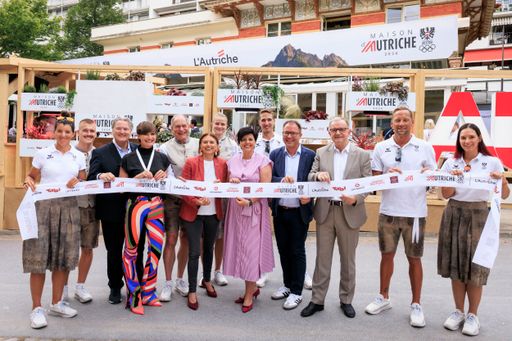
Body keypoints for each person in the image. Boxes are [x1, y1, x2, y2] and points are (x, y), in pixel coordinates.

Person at [365, 106, 436, 328]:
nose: (401, 123)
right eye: (397, 120)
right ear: (392, 123)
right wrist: (387, 175)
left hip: (415, 214)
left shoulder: (424, 147)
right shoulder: (381, 147)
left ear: (412, 122)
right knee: (386, 256)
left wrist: (428, 177)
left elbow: (432, 180)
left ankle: (416, 304)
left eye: (406, 120)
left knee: (414, 259)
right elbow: (374, 179)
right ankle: (383, 297)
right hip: (388, 212)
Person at [438, 123, 510, 336]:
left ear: (479, 138)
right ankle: (458, 311)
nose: (467, 141)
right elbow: (445, 194)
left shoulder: (492, 162)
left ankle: (473, 315)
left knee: (475, 267)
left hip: (479, 215)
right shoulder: (451, 162)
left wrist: (503, 181)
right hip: (454, 213)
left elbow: (504, 194)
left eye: (471, 137)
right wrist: (452, 178)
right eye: (463, 138)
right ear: (458, 141)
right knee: (456, 266)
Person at [301, 117, 372, 318]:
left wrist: (356, 198)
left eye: (342, 129)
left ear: (349, 131)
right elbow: (310, 175)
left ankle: (346, 300)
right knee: (322, 260)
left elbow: (368, 184)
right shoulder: (321, 153)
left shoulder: (362, 155)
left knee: (348, 261)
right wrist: (318, 176)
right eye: (334, 130)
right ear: (329, 132)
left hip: (350, 211)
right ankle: (317, 300)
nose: (338, 133)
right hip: (326, 211)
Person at [23, 114, 86, 329]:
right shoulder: (43, 154)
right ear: (54, 132)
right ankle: (37, 308)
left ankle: (57, 303)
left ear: (73, 134)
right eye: (59, 131)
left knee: (63, 259)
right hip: (42, 210)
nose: (63, 135)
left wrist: (78, 180)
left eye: (67, 132)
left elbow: (83, 178)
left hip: (69, 210)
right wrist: (28, 180)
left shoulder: (78, 156)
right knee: (38, 258)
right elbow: (31, 176)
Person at [88, 117, 144, 305]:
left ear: (131, 132)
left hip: (137, 209)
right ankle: (114, 287)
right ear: (112, 131)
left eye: (125, 129)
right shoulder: (100, 152)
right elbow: (90, 177)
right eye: (119, 128)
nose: (122, 132)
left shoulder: (139, 150)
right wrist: (100, 175)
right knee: (114, 250)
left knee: (136, 250)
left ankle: (134, 286)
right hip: (111, 209)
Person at [119, 121, 171, 315]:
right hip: (136, 204)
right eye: (146, 134)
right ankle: (133, 296)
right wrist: (136, 179)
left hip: (157, 204)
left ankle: (149, 292)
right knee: (131, 251)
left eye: (153, 134)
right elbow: (121, 187)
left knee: (156, 249)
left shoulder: (163, 158)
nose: (150, 138)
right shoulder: (128, 158)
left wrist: (164, 179)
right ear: (138, 136)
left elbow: (170, 183)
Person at [223, 127, 274, 313]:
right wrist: (232, 183)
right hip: (236, 213)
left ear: (255, 140)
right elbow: (228, 183)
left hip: (254, 211)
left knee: (251, 251)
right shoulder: (232, 161)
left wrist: (250, 202)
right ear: (238, 142)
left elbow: (265, 188)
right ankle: (252, 288)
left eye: (250, 139)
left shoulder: (263, 160)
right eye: (243, 139)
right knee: (241, 250)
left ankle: (249, 294)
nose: (247, 142)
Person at [269, 120, 315, 310]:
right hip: (281, 211)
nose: (289, 136)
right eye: (286, 132)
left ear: (300, 134)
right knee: (283, 250)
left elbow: (315, 180)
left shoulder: (310, 155)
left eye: (293, 133)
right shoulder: (275, 154)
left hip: (299, 212)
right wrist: (281, 180)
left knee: (297, 251)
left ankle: (297, 292)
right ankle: (287, 285)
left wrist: (309, 196)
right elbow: (268, 178)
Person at [179, 133, 228, 310]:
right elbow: (183, 188)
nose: (208, 145)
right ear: (200, 146)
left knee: (209, 249)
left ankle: (206, 280)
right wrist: (196, 201)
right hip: (193, 213)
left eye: (212, 142)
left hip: (213, 213)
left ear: (217, 146)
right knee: (194, 252)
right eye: (205, 142)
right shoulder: (192, 162)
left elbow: (227, 186)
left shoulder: (222, 164)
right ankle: (192, 291)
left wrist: (222, 185)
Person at [159, 115, 199, 301]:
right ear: (171, 128)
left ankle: (180, 279)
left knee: (187, 239)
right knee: (172, 238)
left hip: (192, 200)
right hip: (173, 199)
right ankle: (167, 282)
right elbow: (166, 173)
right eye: (177, 127)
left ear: (190, 126)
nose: (181, 129)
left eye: (184, 125)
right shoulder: (164, 148)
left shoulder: (200, 144)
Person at [63, 119, 99, 304]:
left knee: (87, 248)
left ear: (96, 133)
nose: (88, 134)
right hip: (71, 206)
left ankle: (80, 286)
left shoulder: (99, 153)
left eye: (92, 131)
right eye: (85, 130)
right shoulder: (68, 153)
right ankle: (63, 288)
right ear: (78, 131)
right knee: (68, 249)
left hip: (92, 207)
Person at [253, 109, 285, 288]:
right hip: (260, 193)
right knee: (261, 235)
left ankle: (301, 273)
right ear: (259, 122)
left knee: (290, 236)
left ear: (274, 121)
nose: (266, 123)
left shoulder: (282, 142)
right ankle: (262, 272)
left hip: (280, 191)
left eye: (269, 120)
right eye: (263, 120)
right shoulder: (253, 142)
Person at [210, 113, 239, 286]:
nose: (219, 127)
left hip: (223, 198)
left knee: (220, 235)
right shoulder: (204, 141)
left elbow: (236, 169)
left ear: (226, 126)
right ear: (212, 124)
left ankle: (217, 270)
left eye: (222, 124)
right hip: (205, 196)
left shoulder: (233, 146)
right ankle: (205, 272)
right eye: (217, 123)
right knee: (205, 236)